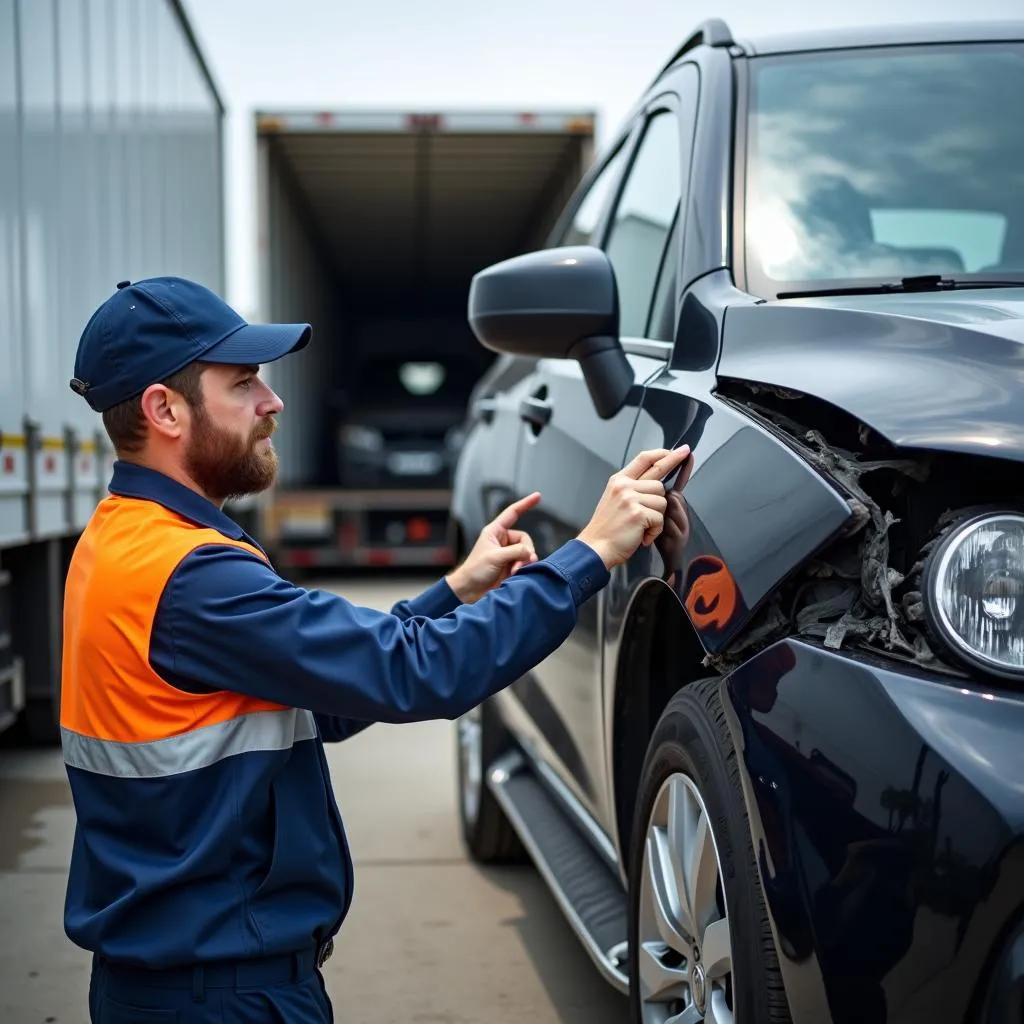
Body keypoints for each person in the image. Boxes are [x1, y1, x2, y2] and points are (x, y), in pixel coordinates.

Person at [61, 276, 691, 1024]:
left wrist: (455, 589)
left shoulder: (122, 540)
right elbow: (417, 674)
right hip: (222, 994)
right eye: (244, 383)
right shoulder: (192, 576)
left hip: (175, 979)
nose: (274, 402)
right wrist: (590, 552)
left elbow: (322, 694)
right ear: (165, 410)